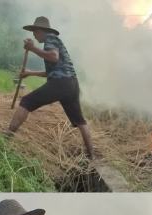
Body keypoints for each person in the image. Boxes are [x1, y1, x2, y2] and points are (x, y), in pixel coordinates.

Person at [8, 16, 95, 160]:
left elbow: (53, 57)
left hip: (61, 83)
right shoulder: (54, 42)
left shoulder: (50, 39)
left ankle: (6, 137)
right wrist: (30, 73)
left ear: (40, 30)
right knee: (80, 121)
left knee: (26, 102)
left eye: (35, 32)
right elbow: (52, 71)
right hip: (71, 84)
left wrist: (32, 48)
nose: (34, 35)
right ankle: (91, 155)